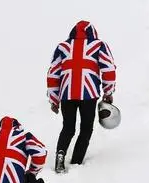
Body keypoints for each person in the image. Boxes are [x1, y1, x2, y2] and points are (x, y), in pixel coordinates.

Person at [47, 20, 117, 173]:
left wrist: (54, 99)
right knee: (86, 128)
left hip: (67, 94)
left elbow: (53, 73)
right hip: (88, 94)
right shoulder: (99, 45)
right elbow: (109, 68)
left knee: (68, 127)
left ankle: (61, 154)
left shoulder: (63, 47)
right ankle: (76, 162)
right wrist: (108, 91)